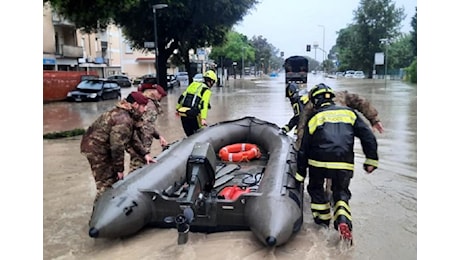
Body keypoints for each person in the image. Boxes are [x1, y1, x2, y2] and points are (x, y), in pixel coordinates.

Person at [296, 83, 379, 244]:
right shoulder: (349, 112)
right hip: (343, 162)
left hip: (318, 162)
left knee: (315, 189)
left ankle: (322, 225)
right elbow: (368, 136)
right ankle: (342, 218)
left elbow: (303, 144)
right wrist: (371, 160)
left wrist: (299, 173)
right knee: (341, 192)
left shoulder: (313, 113)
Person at [80, 91, 152, 202]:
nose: (146, 109)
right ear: (135, 105)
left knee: (113, 180)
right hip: (96, 149)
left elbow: (132, 138)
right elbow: (117, 146)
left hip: (102, 146)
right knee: (106, 183)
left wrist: (145, 154)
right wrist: (120, 170)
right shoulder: (123, 119)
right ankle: (101, 212)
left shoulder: (127, 115)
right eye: (144, 106)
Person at [294, 85, 384, 150]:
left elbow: (301, 130)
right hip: (344, 141)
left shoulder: (309, 106)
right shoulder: (342, 96)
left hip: (323, 143)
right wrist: (374, 119)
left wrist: (300, 153)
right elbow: (360, 101)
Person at [127, 84, 168, 173]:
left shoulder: (144, 102)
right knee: (137, 166)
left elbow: (144, 124)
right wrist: (145, 151)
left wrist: (159, 136)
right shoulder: (151, 106)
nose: (161, 97)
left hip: (135, 141)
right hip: (140, 143)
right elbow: (146, 128)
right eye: (161, 95)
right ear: (156, 93)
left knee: (135, 163)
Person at [176, 70, 217, 136]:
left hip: (183, 113)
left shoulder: (193, 84)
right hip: (193, 114)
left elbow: (182, 97)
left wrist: (177, 109)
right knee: (198, 134)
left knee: (189, 135)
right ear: (211, 81)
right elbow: (204, 104)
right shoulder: (206, 90)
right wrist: (203, 118)